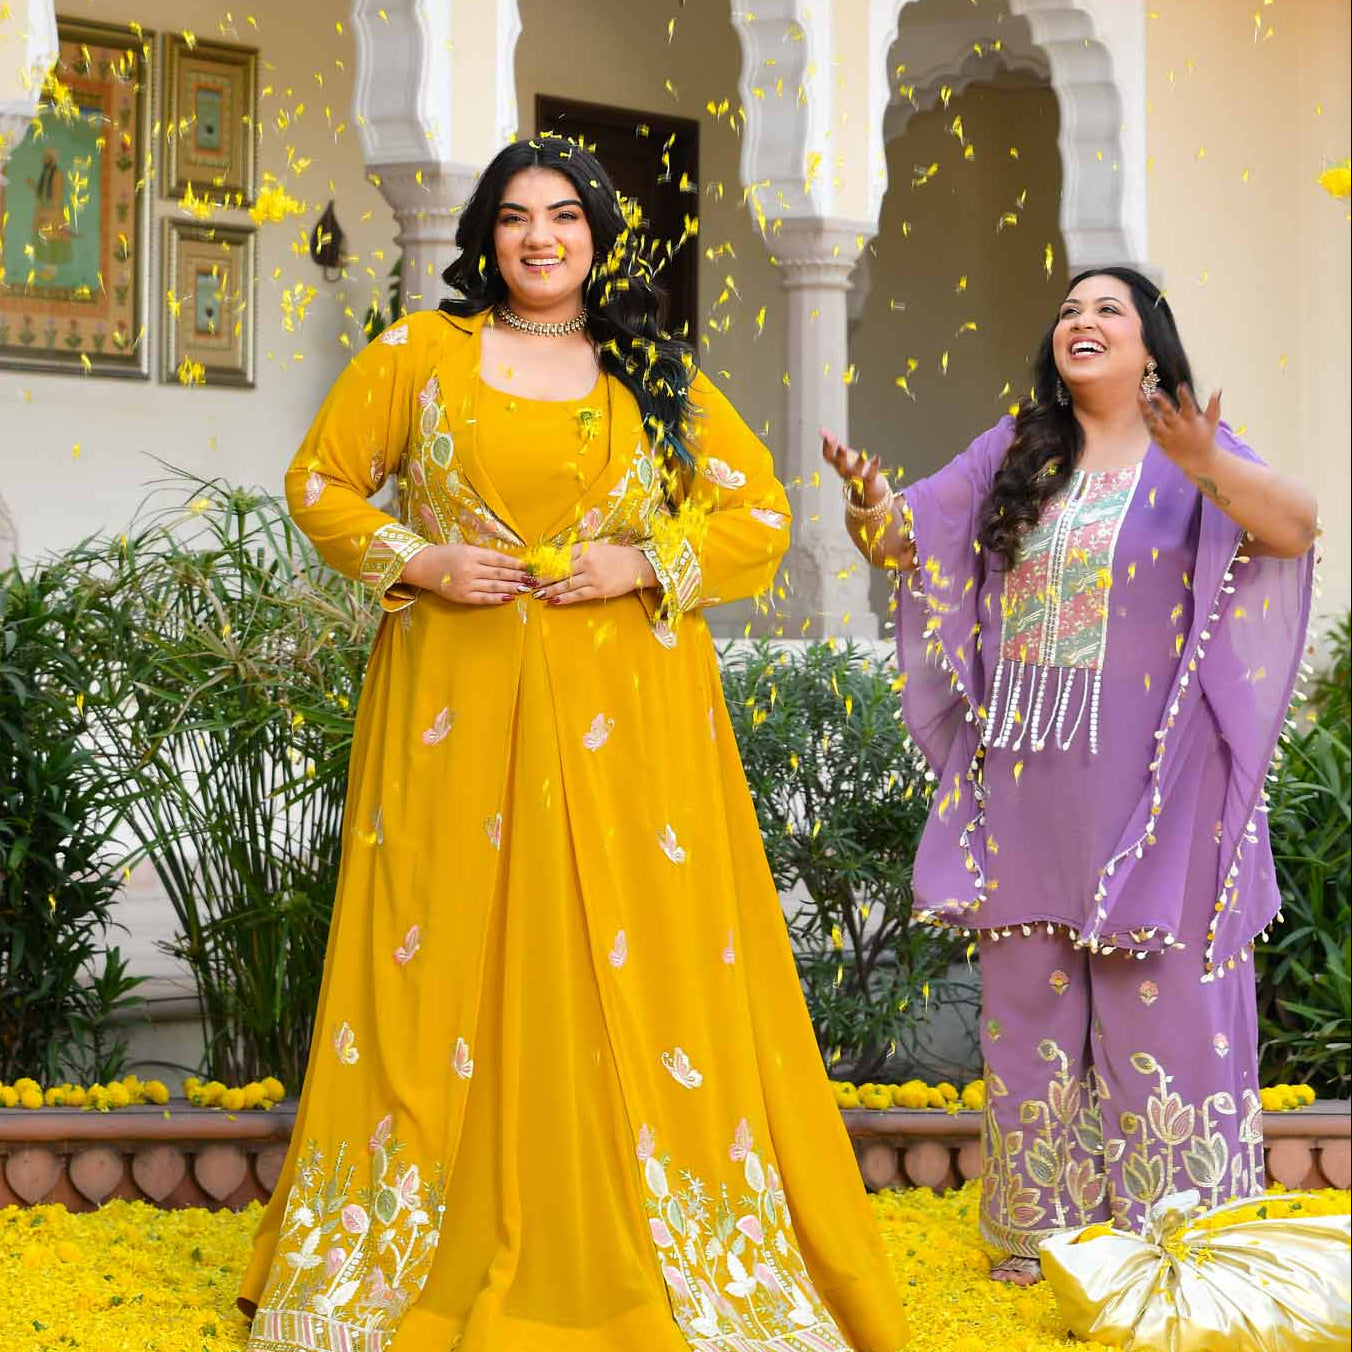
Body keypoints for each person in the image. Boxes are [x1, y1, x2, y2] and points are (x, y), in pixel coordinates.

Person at [238, 137, 910, 1352]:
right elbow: (322, 483)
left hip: (628, 722)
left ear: (600, 236)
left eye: (562, 216)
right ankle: (416, 1237)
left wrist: (644, 561)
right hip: (454, 698)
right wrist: (421, 560)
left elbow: (758, 507)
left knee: (627, 956)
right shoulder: (416, 356)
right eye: (513, 216)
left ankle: (641, 1231)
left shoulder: (648, 369)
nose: (537, 237)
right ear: (484, 237)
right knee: (441, 952)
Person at [822, 266, 1317, 1286]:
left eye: (1107, 310)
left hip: (1160, 782)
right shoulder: (1013, 449)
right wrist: (868, 500)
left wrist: (1202, 462)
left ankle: (1178, 1242)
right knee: (1027, 1005)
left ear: (1149, 344)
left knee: (1160, 1003)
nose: (1079, 322)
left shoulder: (1191, 446)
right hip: (1025, 783)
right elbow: (901, 544)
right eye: (1066, 309)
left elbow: (1295, 528)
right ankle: (1044, 1241)